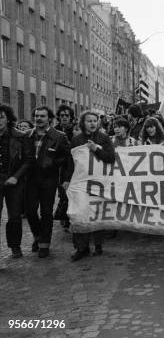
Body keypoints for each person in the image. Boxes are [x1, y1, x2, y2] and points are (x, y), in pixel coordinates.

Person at [68, 111, 116, 261]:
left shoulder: (104, 138)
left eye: (95, 120)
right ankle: (81, 248)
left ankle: (98, 245)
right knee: (80, 212)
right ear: (83, 123)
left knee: (97, 211)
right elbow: (70, 162)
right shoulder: (76, 140)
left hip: (98, 182)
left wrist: (96, 149)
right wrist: (66, 180)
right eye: (89, 121)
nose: (93, 123)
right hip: (81, 181)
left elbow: (111, 158)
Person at [24, 106, 71, 258]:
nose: (39, 118)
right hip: (30, 178)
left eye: (42, 116)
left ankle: (44, 244)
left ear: (49, 118)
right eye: (37, 116)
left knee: (46, 212)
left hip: (48, 179)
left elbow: (67, 160)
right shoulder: (27, 135)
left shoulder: (59, 136)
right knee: (30, 211)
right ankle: (38, 236)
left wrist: (64, 177)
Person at [0, 105, 34, 259]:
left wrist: (16, 176)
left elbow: (28, 160)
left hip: (14, 180)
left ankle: (15, 245)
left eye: (1, 117)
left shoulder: (20, 136)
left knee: (14, 217)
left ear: (8, 118)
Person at [54, 104, 77, 230]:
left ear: (71, 117)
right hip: (60, 167)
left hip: (73, 166)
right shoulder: (54, 131)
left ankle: (68, 216)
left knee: (72, 192)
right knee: (63, 192)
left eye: (67, 115)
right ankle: (64, 216)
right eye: (62, 115)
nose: (64, 118)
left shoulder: (75, 132)